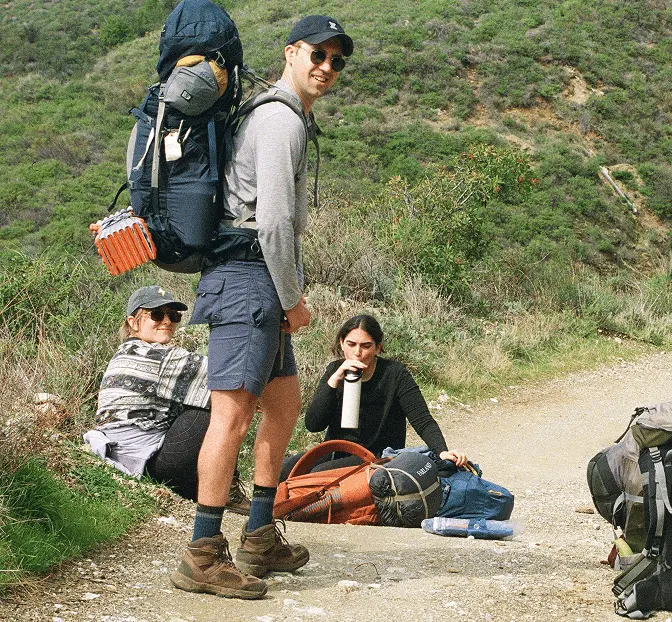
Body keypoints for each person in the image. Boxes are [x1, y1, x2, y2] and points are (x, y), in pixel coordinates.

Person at [170, 15, 352, 600]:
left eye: (336, 61)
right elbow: (273, 223)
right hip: (248, 278)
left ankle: (258, 534)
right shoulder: (278, 120)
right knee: (232, 415)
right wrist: (294, 300)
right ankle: (201, 553)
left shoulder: (286, 115)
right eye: (317, 55)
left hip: (257, 277)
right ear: (290, 52)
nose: (326, 67)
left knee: (284, 400)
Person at [84, 285, 249, 513]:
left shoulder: (123, 353)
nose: (167, 321)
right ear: (133, 322)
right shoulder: (157, 355)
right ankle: (227, 487)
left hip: (129, 459)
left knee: (209, 398)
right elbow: (227, 376)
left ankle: (208, 486)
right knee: (222, 404)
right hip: (152, 462)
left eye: (173, 315)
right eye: (156, 314)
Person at [280, 314, 468, 481]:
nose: (357, 353)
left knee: (317, 475)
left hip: (376, 456)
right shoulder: (334, 370)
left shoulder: (395, 374)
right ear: (341, 343)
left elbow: (423, 420)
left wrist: (442, 452)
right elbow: (313, 424)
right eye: (351, 344)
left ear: (378, 348)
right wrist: (335, 380)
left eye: (366, 346)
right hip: (336, 450)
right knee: (285, 470)